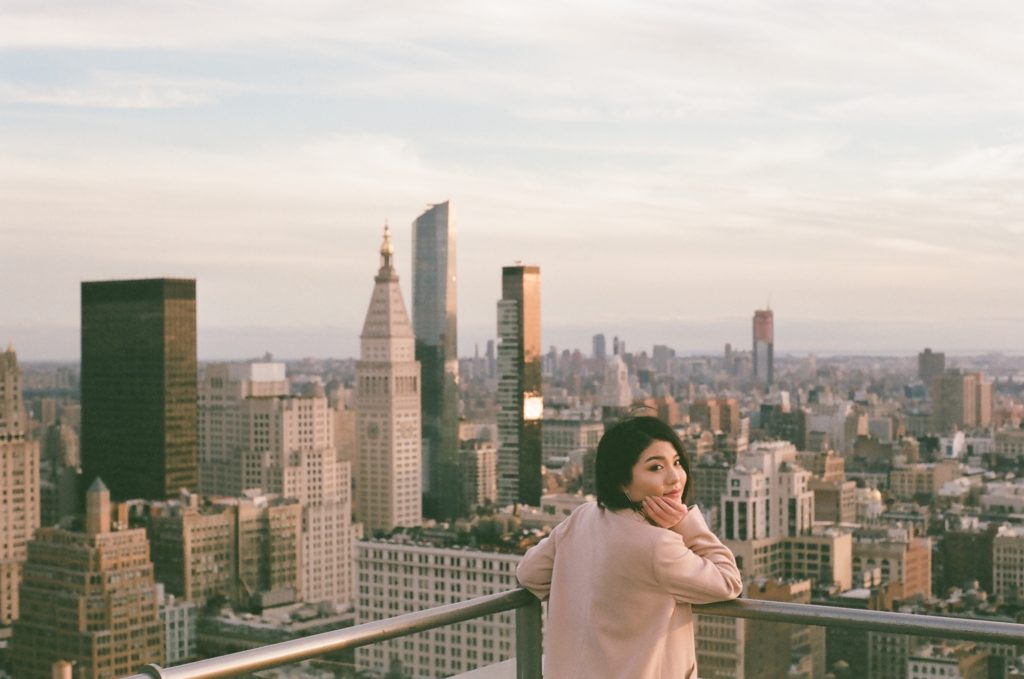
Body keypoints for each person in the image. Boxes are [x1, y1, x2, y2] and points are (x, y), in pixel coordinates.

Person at [516, 416, 742, 679]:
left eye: (677, 462)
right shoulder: (658, 545)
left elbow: (529, 574)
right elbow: (729, 581)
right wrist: (685, 523)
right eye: (656, 467)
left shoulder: (583, 517)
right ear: (622, 480)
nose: (675, 477)